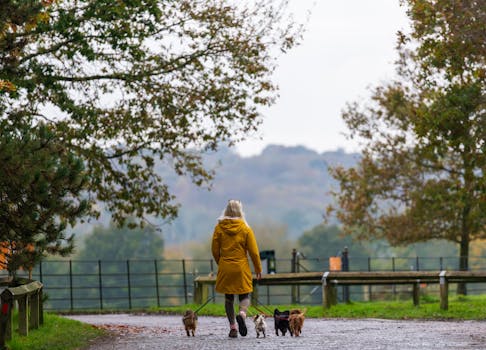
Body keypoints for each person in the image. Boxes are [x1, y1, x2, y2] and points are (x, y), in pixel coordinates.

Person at [211, 200, 262, 338]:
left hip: (226, 267)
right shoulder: (245, 228)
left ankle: (233, 328)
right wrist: (258, 268)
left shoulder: (219, 228)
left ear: (226, 211)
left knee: (229, 298)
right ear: (240, 211)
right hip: (241, 267)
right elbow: (254, 252)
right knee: (245, 295)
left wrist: (221, 263)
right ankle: (242, 314)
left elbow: (215, 250)